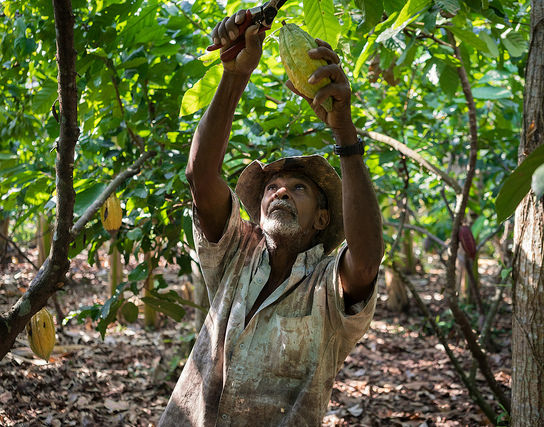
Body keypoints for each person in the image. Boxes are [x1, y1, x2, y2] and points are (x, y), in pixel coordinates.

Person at [159, 10, 383, 427]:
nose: (280, 191)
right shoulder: (236, 254)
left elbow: (366, 259)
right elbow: (200, 174)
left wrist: (345, 132)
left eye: (299, 189)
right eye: (271, 188)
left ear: (321, 220)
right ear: (258, 212)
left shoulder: (327, 289)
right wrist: (234, 74)